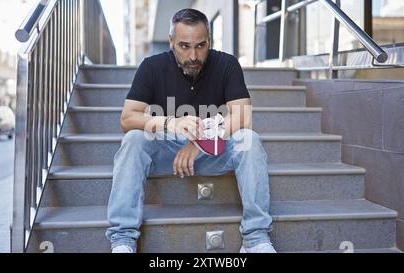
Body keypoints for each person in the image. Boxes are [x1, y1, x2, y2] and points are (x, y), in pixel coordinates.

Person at [106, 8, 276, 253]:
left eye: (201, 46)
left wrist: (198, 143)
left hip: (211, 149)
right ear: (171, 42)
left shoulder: (226, 63)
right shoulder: (151, 67)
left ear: (210, 41)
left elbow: (243, 115)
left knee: (248, 139)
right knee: (134, 139)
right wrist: (168, 123)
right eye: (184, 46)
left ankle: (256, 238)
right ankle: (123, 240)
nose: (193, 55)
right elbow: (127, 119)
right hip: (168, 151)